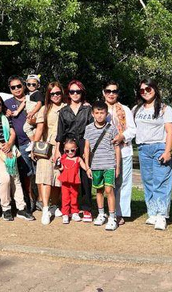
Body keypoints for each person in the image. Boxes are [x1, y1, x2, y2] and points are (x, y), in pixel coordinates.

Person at [133, 79, 172, 231]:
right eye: (142, 90)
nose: (145, 92)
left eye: (148, 88)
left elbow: (170, 131)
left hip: (159, 147)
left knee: (161, 181)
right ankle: (152, 212)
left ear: (155, 89)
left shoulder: (165, 109)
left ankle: (162, 215)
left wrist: (167, 151)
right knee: (148, 181)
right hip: (143, 148)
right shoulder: (136, 109)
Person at [0, 94, 33, 222]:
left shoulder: (6, 117)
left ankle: (21, 208)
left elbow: (12, 132)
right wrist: (2, 147)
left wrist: (9, 144)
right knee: (5, 179)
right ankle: (6, 209)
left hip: (10, 150)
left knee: (15, 179)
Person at [54, 80, 94, 222]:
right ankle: (70, 208)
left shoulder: (88, 109)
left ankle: (87, 208)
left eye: (78, 91)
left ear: (82, 92)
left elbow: (91, 129)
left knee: (85, 176)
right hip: (69, 146)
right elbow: (60, 132)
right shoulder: (64, 111)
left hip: (84, 144)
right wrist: (57, 151)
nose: (75, 94)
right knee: (69, 178)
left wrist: (87, 148)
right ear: (68, 93)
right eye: (72, 91)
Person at [103, 81, 136, 225]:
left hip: (124, 151)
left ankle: (119, 213)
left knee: (122, 183)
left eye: (114, 91)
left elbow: (133, 129)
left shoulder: (125, 109)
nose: (111, 94)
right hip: (104, 153)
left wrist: (122, 136)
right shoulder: (99, 109)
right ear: (103, 92)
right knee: (106, 184)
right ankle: (105, 210)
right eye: (108, 91)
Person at [84, 101, 121, 231]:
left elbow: (117, 148)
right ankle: (101, 214)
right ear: (93, 114)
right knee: (98, 190)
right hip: (95, 165)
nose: (99, 115)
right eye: (97, 113)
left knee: (109, 190)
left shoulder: (112, 128)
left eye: (102, 113)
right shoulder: (88, 128)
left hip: (109, 164)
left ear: (106, 114)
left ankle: (112, 217)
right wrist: (87, 167)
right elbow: (87, 148)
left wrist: (118, 167)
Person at [5, 76, 37, 211]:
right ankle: (27, 201)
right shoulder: (6, 103)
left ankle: (39, 200)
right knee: (24, 175)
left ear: (23, 86)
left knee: (36, 173)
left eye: (19, 86)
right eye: (13, 87)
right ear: (10, 89)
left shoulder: (33, 99)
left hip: (33, 142)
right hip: (16, 145)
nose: (17, 89)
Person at [36, 82, 65, 225]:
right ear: (48, 95)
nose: (55, 96)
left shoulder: (66, 108)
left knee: (57, 179)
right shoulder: (45, 109)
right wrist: (34, 146)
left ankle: (54, 205)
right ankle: (46, 208)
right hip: (46, 148)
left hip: (62, 147)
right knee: (46, 178)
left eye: (58, 93)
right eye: (52, 93)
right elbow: (40, 129)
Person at [58, 139, 88, 223]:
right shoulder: (63, 158)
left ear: (76, 149)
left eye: (72, 150)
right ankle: (65, 214)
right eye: (67, 151)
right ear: (64, 150)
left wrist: (89, 169)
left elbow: (84, 167)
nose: (70, 152)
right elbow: (61, 167)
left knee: (74, 197)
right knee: (65, 198)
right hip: (65, 182)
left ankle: (74, 212)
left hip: (74, 182)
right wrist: (59, 167)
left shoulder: (78, 159)